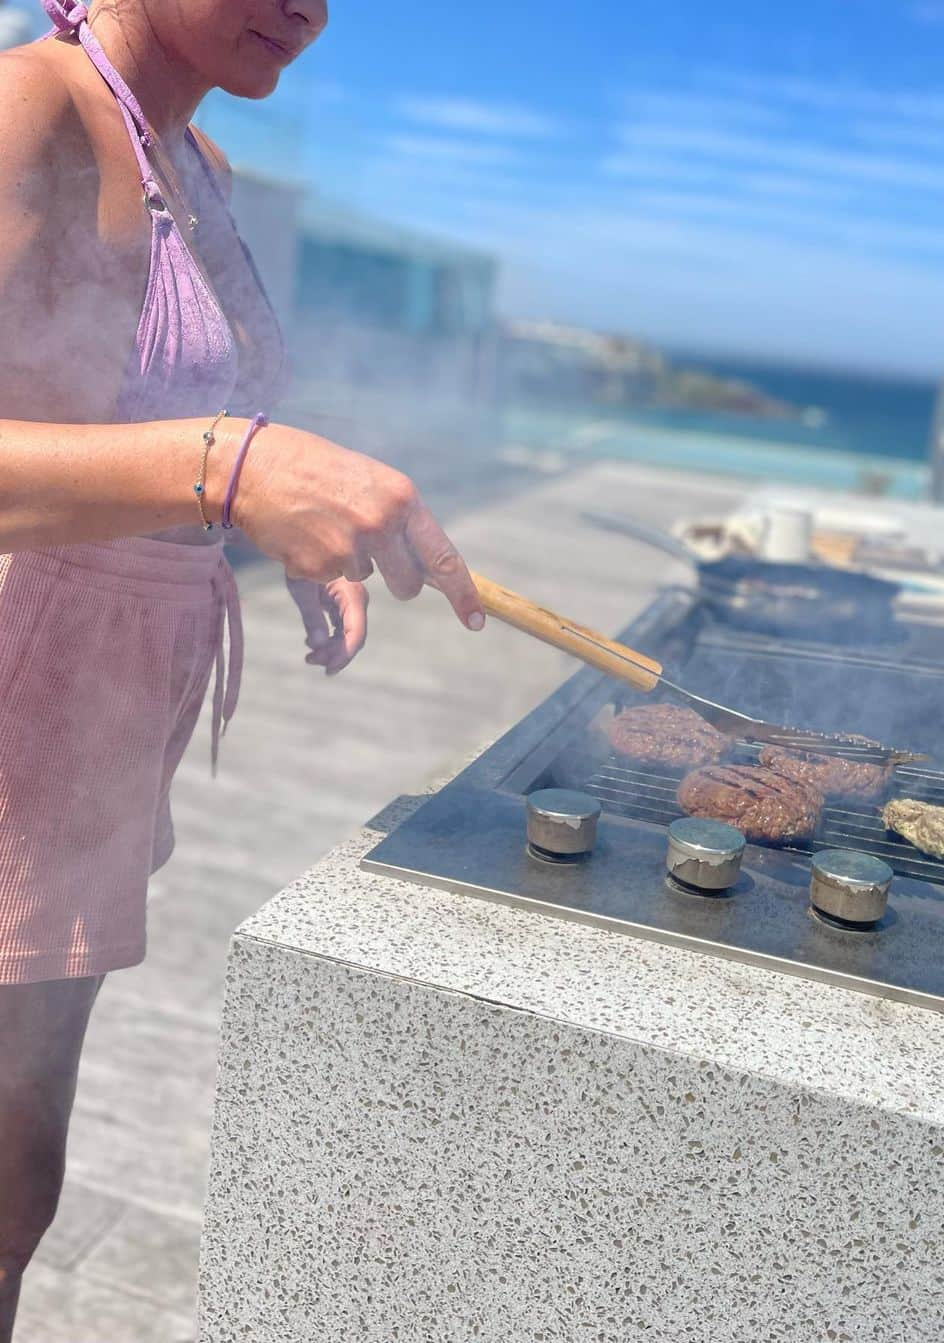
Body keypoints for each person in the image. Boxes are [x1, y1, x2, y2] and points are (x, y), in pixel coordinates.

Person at [0, 2, 487, 1336]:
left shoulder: (194, 163)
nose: (305, 7)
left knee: (16, 1175)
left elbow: (140, 416)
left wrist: (261, 509)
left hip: (87, 737)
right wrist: (232, 466)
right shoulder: (33, 105)